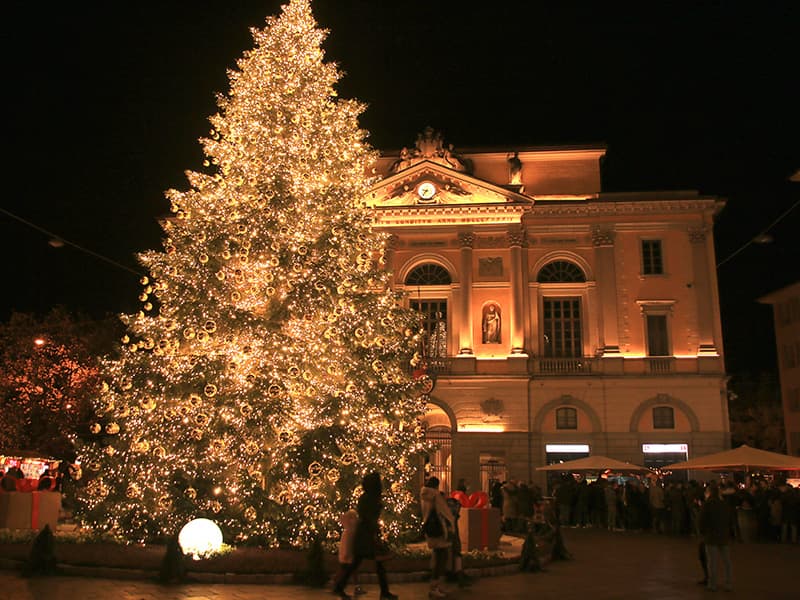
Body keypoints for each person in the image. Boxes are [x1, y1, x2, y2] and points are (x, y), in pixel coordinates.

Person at [333, 473, 397, 600]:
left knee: (361, 562)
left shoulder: (366, 498)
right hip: (367, 534)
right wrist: (375, 531)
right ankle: (384, 592)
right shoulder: (370, 498)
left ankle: (340, 587)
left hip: (365, 533)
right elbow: (368, 517)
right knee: (369, 563)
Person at [420, 476, 455, 599]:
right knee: (441, 558)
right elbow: (445, 513)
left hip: (431, 530)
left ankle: (435, 586)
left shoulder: (424, 495)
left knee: (437, 556)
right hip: (440, 531)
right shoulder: (435, 495)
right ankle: (436, 587)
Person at [699, 482, 735, 592]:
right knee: (727, 561)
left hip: (711, 536)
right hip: (723, 535)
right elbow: (730, 519)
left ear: (709, 492)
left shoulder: (707, 504)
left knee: (712, 562)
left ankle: (712, 584)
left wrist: (703, 532)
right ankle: (728, 583)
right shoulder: (724, 504)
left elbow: (702, 520)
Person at [337, 509, 365, 596]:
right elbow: (346, 546)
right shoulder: (348, 533)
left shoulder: (351, 532)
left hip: (349, 556)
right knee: (346, 572)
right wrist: (346, 555)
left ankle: (355, 587)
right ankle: (338, 587)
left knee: (350, 571)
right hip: (347, 557)